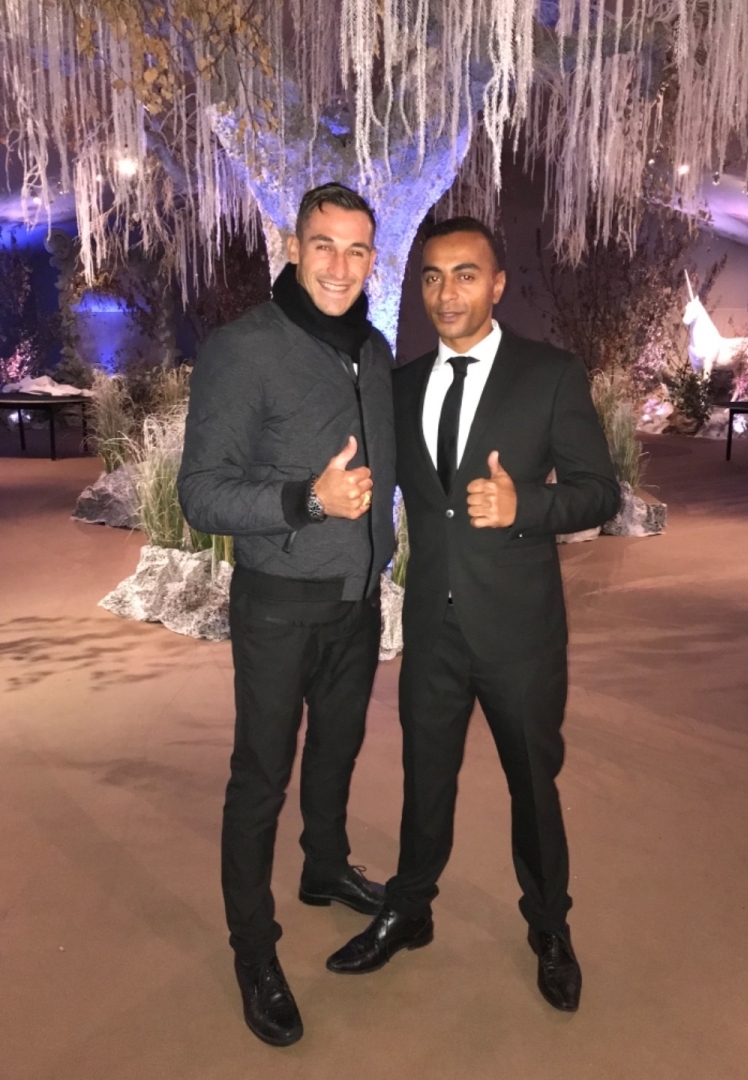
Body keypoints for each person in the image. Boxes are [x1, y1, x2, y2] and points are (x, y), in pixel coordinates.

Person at [326, 216, 620, 1013]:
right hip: (433, 626)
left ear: (496, 285)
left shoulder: (549, 374)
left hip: (519, 629)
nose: (446, 292)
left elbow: (600, 491)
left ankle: (549, 927)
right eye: (431, 276)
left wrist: (530, 507)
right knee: (425, 780)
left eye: (464, 274)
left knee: (533, 786)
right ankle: (409, 908)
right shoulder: (401, 387)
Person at [178, 183, 396, 1047]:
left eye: (357, 249)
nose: (340, 266)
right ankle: (254, 949)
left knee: (338, 750)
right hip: (277, 605)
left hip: (357, 602)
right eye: (324, 245)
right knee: (261, 777)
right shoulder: (244, 349)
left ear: (372, 258)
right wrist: (308, 500)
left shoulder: (374, 350)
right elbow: (201, 494)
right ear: (295, 248)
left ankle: (324, 868)